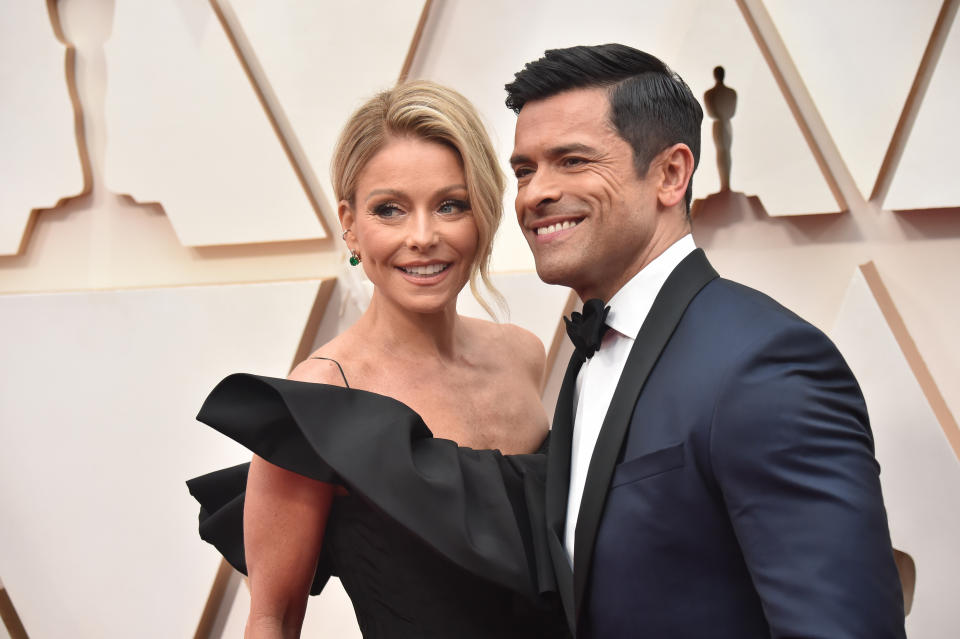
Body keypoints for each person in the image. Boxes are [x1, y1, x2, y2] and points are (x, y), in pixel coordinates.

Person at [505, 44, 906, 638]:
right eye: (524, 169)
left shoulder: (766, 365)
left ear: (670, 174)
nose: (534, 193)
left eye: (571, 161)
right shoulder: (589, 355)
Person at [188, 81, 568, 638]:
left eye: (450, 205)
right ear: (351, 223)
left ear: (481, 214)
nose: (423, 236)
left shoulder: (523, 353)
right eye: (389, 209)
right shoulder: (320, 401)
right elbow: (273, 618)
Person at [704, 65, 737, 191]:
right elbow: (729, 111)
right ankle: (724, 184)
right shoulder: (730, 93)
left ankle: (726, 184)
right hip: (722, 124)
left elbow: (712, 112)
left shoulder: (710, 94)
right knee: (723, 151)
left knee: (724, 152)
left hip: (721, 124)